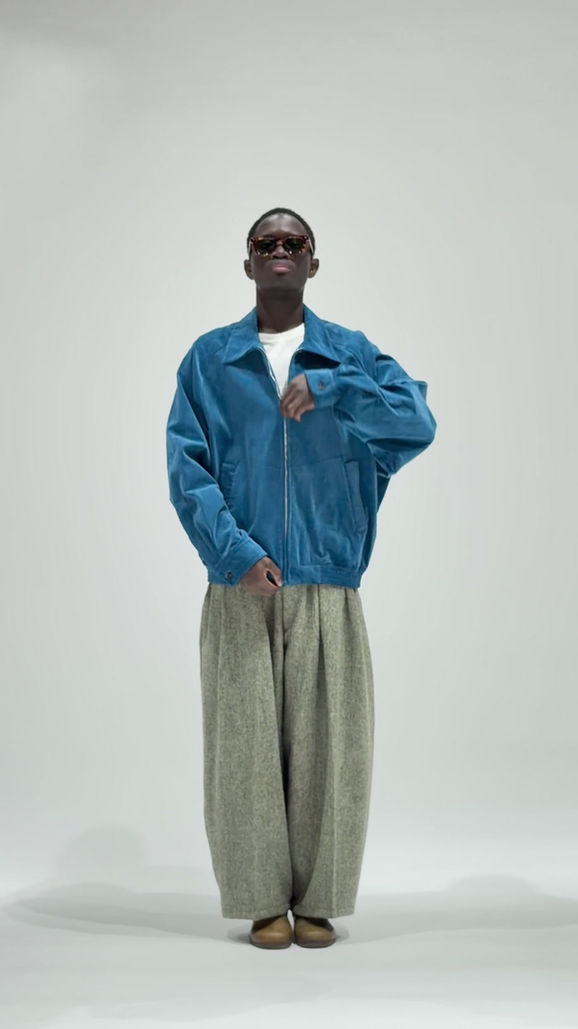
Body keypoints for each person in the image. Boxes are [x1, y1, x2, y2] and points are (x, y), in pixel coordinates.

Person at [166, 206, 437, 949]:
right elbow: (186, 467)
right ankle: (261, 900)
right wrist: (233, 553)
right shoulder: (209, 360)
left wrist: (337, 389)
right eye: (267, 243)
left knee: (331, 751)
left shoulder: (348, 353)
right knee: (243, 750)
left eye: (295, 242)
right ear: (248, 262)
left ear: (313, 262)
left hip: (328, 579)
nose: (280, 250)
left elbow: (416, 423)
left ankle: (319, 900)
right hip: (240, 583)